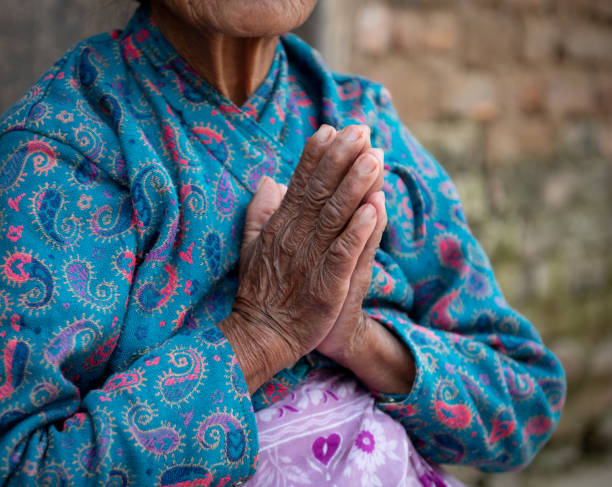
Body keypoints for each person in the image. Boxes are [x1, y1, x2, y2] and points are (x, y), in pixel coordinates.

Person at [0, 0, 566, 485]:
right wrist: (259, 336)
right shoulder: (66, 149)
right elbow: (20, 464)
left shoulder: (365, 123)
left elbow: (524, 401)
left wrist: (361, 340)